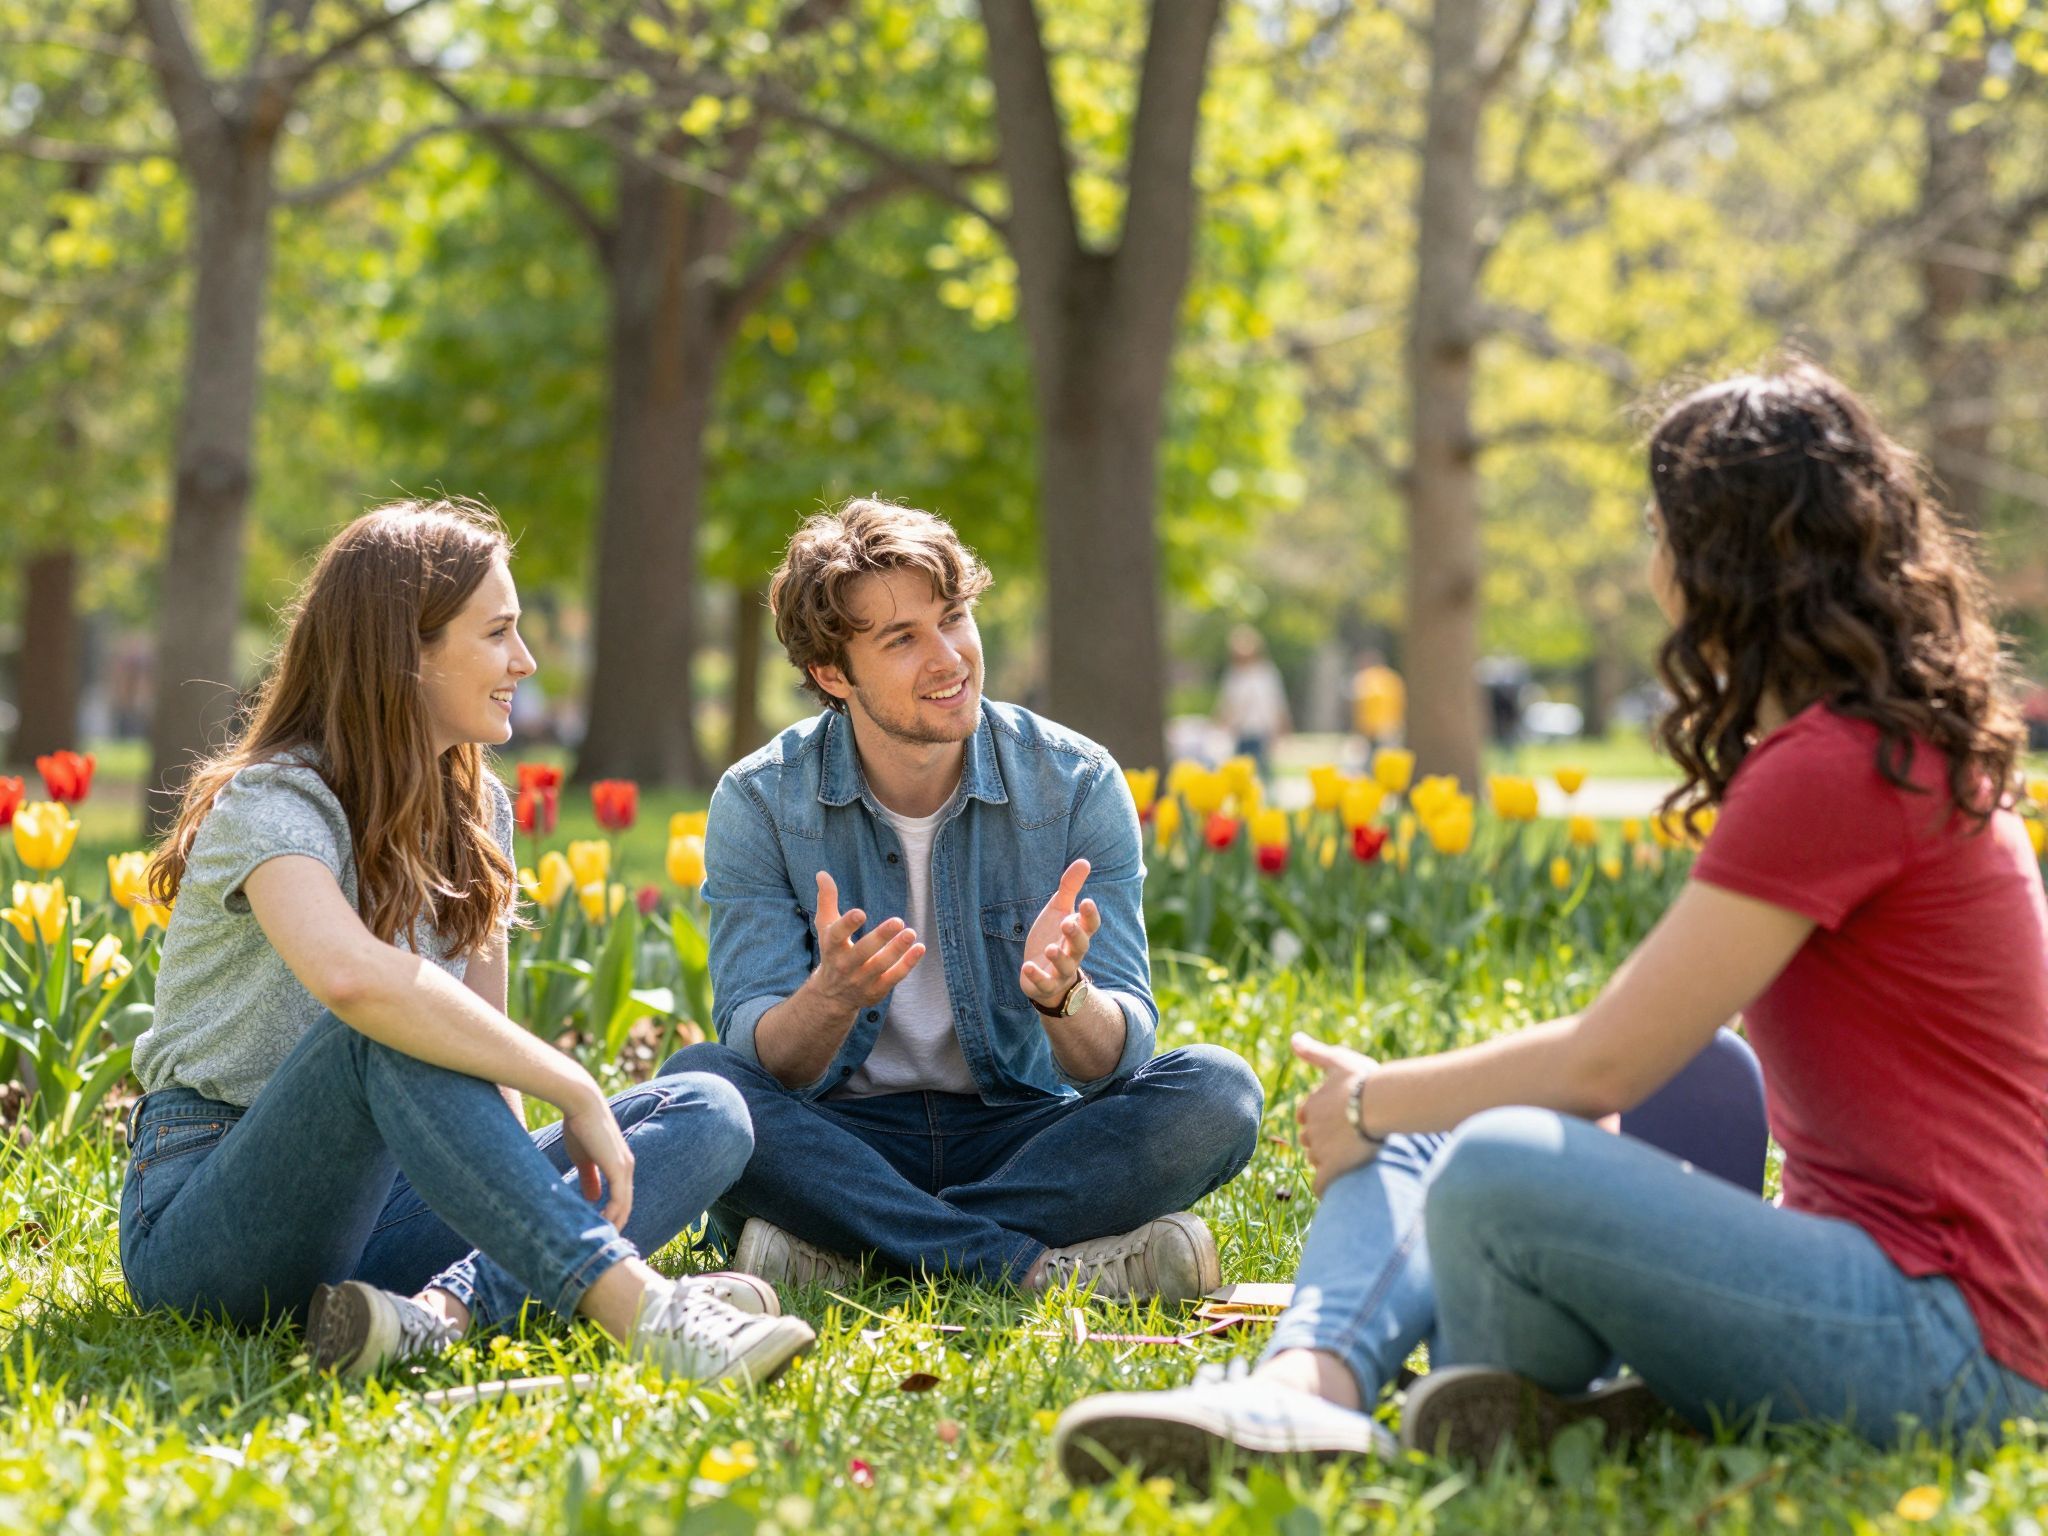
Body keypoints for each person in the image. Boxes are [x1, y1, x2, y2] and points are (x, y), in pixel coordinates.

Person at [1055, 362, 2048, 1475]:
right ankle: (1346, 1391)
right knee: (1651, 1086)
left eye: (1662, 529)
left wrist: (1375, 1101)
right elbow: (1647, 1060)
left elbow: (1601, 1066)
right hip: (1905, 1298)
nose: (1652, 563)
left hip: (1950, 1348)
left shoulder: (1834, 767)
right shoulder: (1881, 745)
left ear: (1718, 556)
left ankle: (1421, 1391)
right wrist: (1408, 1110)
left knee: (1487, 1155)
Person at [121, 500, 815, 1384]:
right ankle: (640, 1308)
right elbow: (355, 981)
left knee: (709, 1111)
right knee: (385, 1025)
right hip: (211, 1223)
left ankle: (439, 1314)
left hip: (387, 1211)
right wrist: (572, 1084)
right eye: (498, 634)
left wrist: (524, 1182)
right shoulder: (274, 802)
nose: (525, 661)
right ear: (405, 652)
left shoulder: (478, 810)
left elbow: (482, 1064)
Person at [665, 498, 1263, 1303]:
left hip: (1021, 1134)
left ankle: (857, 1249)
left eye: (954, 618)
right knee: (705, 1087)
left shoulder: (1076, 782)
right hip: (846, 1137)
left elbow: (1119, 1058)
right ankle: (1033, 1268)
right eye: (902, 639)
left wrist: (1065, 999)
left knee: (1218, 1094)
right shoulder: (761, 800)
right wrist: (829, 999)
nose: (950, 657)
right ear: (831, 674)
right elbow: (760, 1051)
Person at [1214, 625, 1290, 777]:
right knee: (1241, 771)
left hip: (1262, 729)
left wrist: (1282, 727)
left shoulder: (1265, 673)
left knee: (1263, 770)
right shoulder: (1234, 674)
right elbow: (1226, 702)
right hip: (1240, 730)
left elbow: (1276, 702)